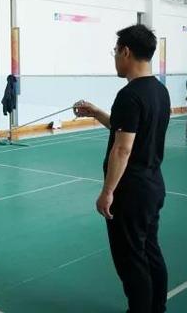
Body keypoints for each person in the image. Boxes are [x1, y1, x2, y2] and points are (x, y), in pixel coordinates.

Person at [73, 24, 169, 313]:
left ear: (126, 52)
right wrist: (97, 113)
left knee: (131, 261)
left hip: (130, 192)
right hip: (152, 186)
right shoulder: (159, 90)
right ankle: (157, 308)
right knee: (150, 251)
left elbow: (123, 148)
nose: (114, 57)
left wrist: (108, 191)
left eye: (115, 51)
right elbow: (127, 131)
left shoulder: (129, 94)